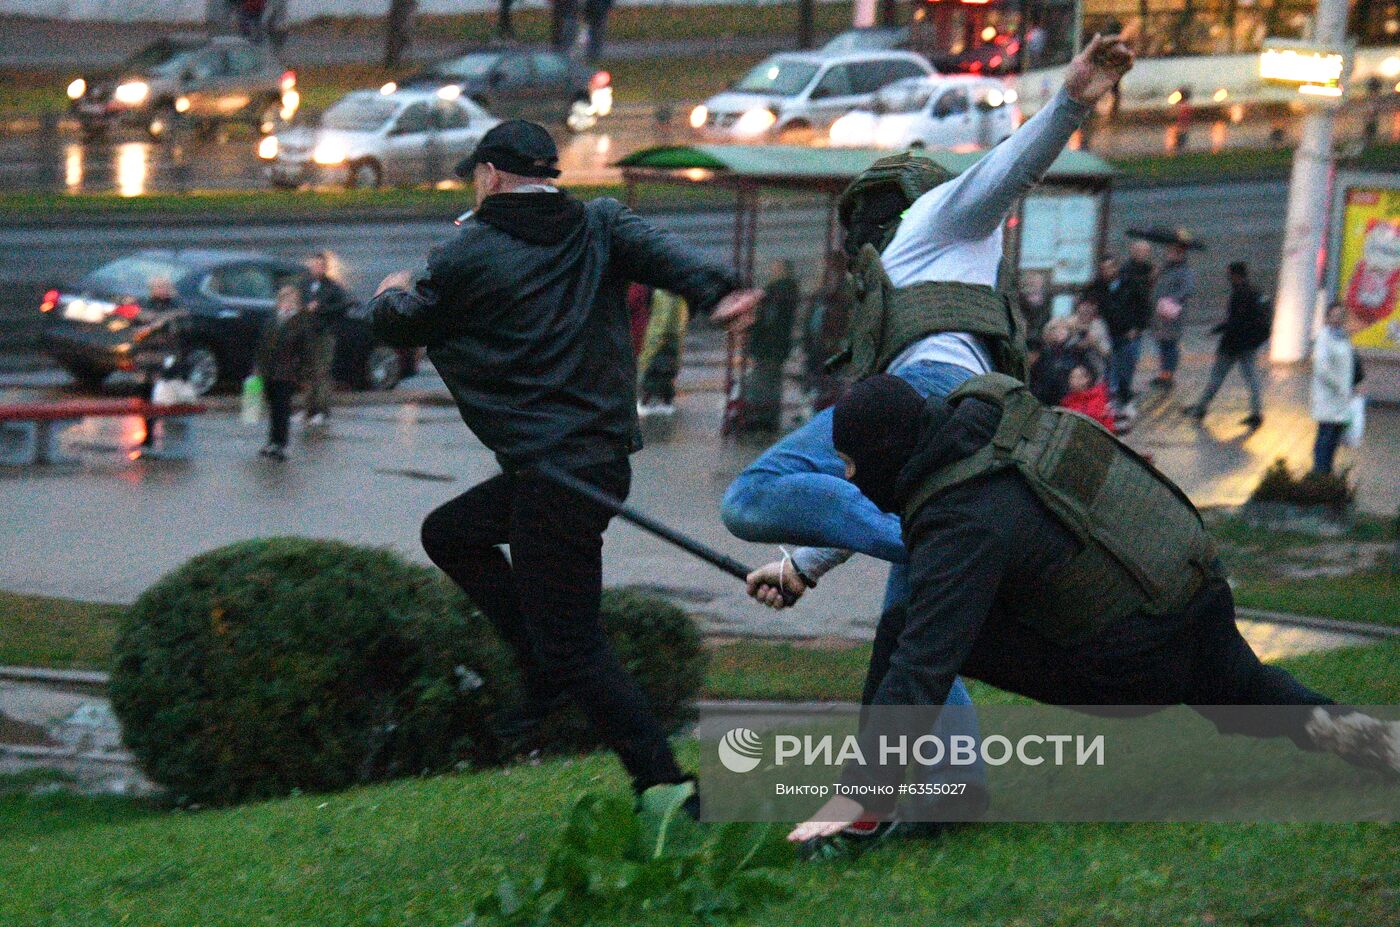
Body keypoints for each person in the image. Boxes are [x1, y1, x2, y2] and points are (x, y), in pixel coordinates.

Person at [732, 34, 1136, 847]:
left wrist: (1071, 99)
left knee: (749, 496)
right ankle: (953, 798)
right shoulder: (935, 272)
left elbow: (1007, 171)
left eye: (863, 225)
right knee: (919, 628)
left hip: (929, 397)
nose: (859, 245)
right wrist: (805, 565)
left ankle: (930, 540)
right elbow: (871, 477)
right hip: (961, 430)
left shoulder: (938, 218)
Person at [786, 372, 1400, 845]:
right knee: (1246, 690)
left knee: (907, 629)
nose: (849, 477)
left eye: (851, 463)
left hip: (1132, 664)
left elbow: (922, 662)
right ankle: (1374, 739)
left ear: (887, 453)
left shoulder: (961, 518)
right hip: (1192, 596)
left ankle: (867, 812)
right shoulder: (992, 423)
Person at [368, 120, 761, 801]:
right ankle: (537, 660)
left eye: (476, 177)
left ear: (490, 175)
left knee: (576, 648)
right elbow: (667, 256)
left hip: (554, 477)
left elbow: (407, 321)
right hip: (591, 464)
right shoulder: (601, 224)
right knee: (450, 534)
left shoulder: (468, 252)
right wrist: (718, 292)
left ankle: (668, 789)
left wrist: (387, 294)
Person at [1184, 261, 1270, 429]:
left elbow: (1234, 321)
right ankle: (1256, 413)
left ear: (1235, 275)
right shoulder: (1255, 291)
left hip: (1232, 345)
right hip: (1249, 345)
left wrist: (1218, 330)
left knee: (1216, 378)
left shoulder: (1239, 294)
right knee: (1252, 379)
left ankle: (1200, 408)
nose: (1228, 277)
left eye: (1229, 274)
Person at [740, 260, 801, 432]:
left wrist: (755, 333)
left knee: (763, 381)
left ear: (782, 271)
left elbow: (767, 320)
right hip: (779, 345)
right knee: (773, 381)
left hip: (767, 346)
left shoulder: (775, 292)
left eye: (775, 268)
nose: (772, 271)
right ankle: (770, 417)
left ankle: (760, 418)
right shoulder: (790, 291)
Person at [256, 285, 315, 461]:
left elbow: (306, 351)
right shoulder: (272, 320)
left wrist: (304, 375)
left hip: (287, 373)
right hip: (269, 371)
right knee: (273, 408)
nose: (287, 305)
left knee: (282, 408)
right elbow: (262, 346)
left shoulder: (300, 323)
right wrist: (258, 368)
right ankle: (272, 441)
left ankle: (280, 444)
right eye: (284, 301)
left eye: (291, 302)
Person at [1098, 241, 1155, 419]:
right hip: (1111, 334)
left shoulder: (1130, 283)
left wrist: (1137, 328)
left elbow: (1145, 307)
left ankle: (1124, 401)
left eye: (1110, 268)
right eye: (1104, 269)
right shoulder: (1100, 287)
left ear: (1115, 268)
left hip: (1130, 335)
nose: (1107, 272)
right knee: (1111, 370)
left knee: (1126, 369)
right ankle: (1113, 402)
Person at [301, 251, 353, 427]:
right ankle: (308, 410)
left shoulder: (333, 287)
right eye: (313, 265)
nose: (315, 268)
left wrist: (320, 308)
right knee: (308, 372)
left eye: (319, 265)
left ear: (324, 267)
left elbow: (342, 307)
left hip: (325, 334)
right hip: (307, 333)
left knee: (322, 372)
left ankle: (322, 411)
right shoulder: (305, 284)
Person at [1310, 301, 1357, 475]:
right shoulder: (1324, 338)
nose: (1337, 319)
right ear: (1327, 318)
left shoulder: (1343, 337)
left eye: (1341, 316)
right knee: (1326, 436)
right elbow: (1321, 368)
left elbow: (1348, 363)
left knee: (1333, 438)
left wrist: (1351, 386)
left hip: (1341, 397)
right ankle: (1319, 473)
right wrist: (1339, 386)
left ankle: (1326, 472)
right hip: (1328, 396)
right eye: (1334, 316)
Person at [1150, 233, 1197, 389]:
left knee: (1170, 345)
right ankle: (1163, 374)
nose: (1168, 254)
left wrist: (1172, 300)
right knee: (1163, 345)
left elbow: (1188, 289)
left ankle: (1168, 376)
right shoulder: (1165, 268)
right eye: (1169, 251)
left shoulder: (1185, 271)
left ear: (1180, 254)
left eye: (1172, 252)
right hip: (1160, 315)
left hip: (1172, 315)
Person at [637, 289, 688, 415]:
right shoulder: (679, 296)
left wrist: (653, 342)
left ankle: (645, 403)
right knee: (666, 374)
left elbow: (660, 322)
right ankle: (666, 403)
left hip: (661, 340)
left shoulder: (661, 294)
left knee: (652, 373)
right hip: (673, 339)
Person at [1028, 317, 1089, 406]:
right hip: (1044, 399)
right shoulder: (1043, 353)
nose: (1060, 331)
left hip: (1069, 399)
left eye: (1064, 328)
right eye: (1055, 329)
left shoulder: (1076, 351)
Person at [1059, 362, 1116, 431]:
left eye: (1077, 377)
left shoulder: (1099, 397)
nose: (1072, 381)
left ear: (1086, 379)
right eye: (1071, 377)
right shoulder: (1067, 401)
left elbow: (1104, 423)